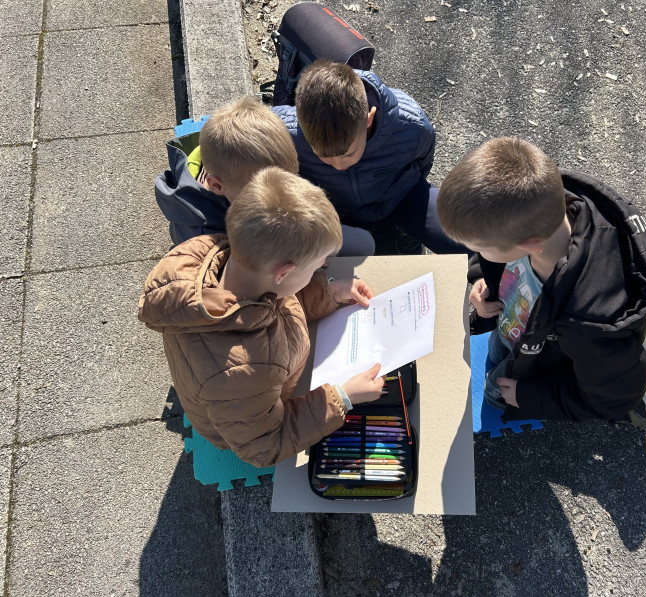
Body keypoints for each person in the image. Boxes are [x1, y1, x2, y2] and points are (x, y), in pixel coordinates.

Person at [139, 167, 386, 467]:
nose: (321, 270)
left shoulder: (230, 261)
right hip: (249, 424)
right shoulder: (243, 370)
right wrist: (342, 398)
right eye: (317, 268)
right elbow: (264, 445)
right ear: (283, 273)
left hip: (246, 396)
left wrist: (328, 292)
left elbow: (281, 299)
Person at [436, 137, 646, 448]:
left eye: (479, 248)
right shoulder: (543, 203)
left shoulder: (589, 320)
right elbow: (496, 254)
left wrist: (530, 396)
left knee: (495, 396)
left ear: (529, 245)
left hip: (559, 352)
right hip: (523, 331)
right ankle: (635, 345)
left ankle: (640, 397)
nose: (476, 254)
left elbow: (610, 396)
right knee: (495, 353)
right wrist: (482, 276)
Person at [273, 59, 466, 255]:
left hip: (396, 198)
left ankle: (405, 231)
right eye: (322, 155)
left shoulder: (412, 126)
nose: (338, 165)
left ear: (369, 120)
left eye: (348, 153)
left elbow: (422, 162)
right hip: (334, 208)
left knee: (466, 234)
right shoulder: (283, 133)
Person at [155, 95, 375, 256]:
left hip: (275, 228)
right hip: (260, 252)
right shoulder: (206, 238)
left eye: (290, 178)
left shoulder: (237, 175)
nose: (287, 190)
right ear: (217, 186)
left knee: (364, 243)